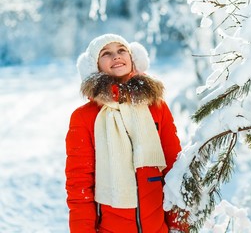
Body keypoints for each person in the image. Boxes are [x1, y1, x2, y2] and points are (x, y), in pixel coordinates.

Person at [65, 33, 188, 233]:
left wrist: (179, 227)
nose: (116, 56)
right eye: (106, 53)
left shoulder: (156, 107)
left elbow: (174, 170)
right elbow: (79, 185)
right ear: (95, 67)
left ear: (133, 59)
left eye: (122, 50)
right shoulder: (84, 118)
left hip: (157, 227)